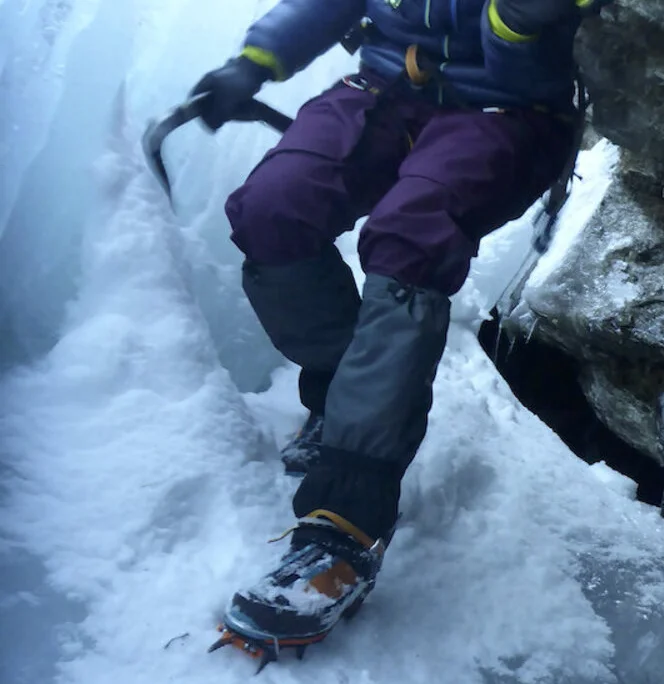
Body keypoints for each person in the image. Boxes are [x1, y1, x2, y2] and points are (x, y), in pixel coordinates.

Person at [191, 0, 611, 659]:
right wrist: (255, 60)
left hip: (510, 107)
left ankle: (344, 528)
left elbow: (528, 63)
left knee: (409, 236)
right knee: (274, 208)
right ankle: (345, 400)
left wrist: (512, 22)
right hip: (385, 87)